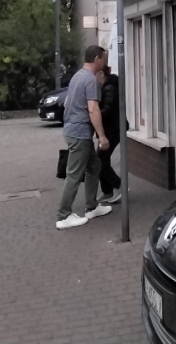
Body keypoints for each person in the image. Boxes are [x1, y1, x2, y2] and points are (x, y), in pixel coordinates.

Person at [56, 45, 113, 229]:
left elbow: (68, 103)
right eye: (103, 58)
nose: (104, 62)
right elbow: (93, 109)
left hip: (74, 131)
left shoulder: (77, 76)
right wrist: (102, 136)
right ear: (97, 59)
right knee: (74, 174)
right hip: (79, 133)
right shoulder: (90, 80)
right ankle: (63, 216)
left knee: (94, 166)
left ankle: (92, 207)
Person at [96, 66, 122, 204]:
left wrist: (94, 115)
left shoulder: (110, 87)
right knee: (101, 159)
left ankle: (119, 185)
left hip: (113, 130)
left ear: (101, 73)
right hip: (110, 129)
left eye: (95, 74)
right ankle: (107, 191)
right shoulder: (106, 86)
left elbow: (108, 109)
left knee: (99, 160)